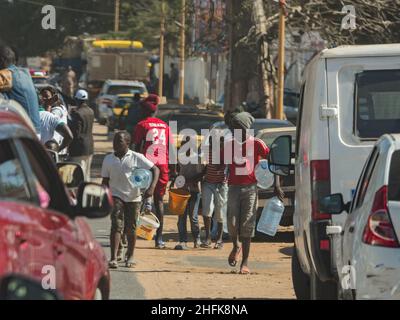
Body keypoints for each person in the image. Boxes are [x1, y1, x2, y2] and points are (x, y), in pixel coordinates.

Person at [101, 131, 160, 269]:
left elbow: (155, 169)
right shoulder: (108, 159)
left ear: (127, 143)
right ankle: (114, 257)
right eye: (114, 141)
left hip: (134, 197)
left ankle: (130, 255)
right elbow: (105, 180)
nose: (115, 144)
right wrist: (102, 196)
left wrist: (151, 189)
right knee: (116, 225)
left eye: (119, 142)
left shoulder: (136, 157)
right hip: (116, 195)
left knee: (131, 228)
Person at [223, 111, 270, 275]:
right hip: (233, 188)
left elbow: (272, 160)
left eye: (237, 128)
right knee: (232, 223)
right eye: (232, 128)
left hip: (250, 188)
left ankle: (245, 262)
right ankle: (236, 245)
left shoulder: (257, 143)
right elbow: (222, 164)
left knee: (247, 225)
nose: (234, 131)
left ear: (245, 128)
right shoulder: (229, 144)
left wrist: (275, 183)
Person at [133, 94, 176, 249]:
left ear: (144, 111)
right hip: (163, 166)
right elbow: (171, 149)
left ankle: (133, 234)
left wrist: (133, 167)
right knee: (159, 201)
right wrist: (174, 169)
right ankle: (159, 239)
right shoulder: (165, 126)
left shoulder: (142, 125)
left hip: (146, 166)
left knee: (137, 199)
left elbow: (137, 148)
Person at [0, 45, 40, 133]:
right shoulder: (24, 74)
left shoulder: (6, 75)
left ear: (2, 60)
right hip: (33, 130)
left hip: (24, 133)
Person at [174, 136, 204, 250]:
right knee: (181, 217)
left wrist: (192, 180)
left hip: (194, 191)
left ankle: (197, 240)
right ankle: (183, 241)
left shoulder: (198, 158)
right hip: (182, 191)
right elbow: (178, 172)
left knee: (193, 217)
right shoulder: (180, 157)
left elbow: (202, 173)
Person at [201, 135, 228, 249]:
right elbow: (203, 164)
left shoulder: (226, 153)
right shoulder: (207, 151)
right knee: (207, 210)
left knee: (220, 212)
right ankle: (208, 238)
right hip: (208, 183)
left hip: (221, 184)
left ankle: (219, 239)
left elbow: (226, 166)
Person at [68, 89, 95, 181]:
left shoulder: (77, 113)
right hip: (89, 147)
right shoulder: (91, 111)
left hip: (78, 149)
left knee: (78, 176)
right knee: (87, 174)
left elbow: (76, 132)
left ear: (77, 100)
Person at [40, 87, 69, 156]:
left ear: (54, 98)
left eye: (47, 96)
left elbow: (47, 118)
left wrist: (59, 149)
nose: (44, 99)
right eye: (42, 97)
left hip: (55, 150)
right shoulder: (56, 108)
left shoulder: (57, 110)